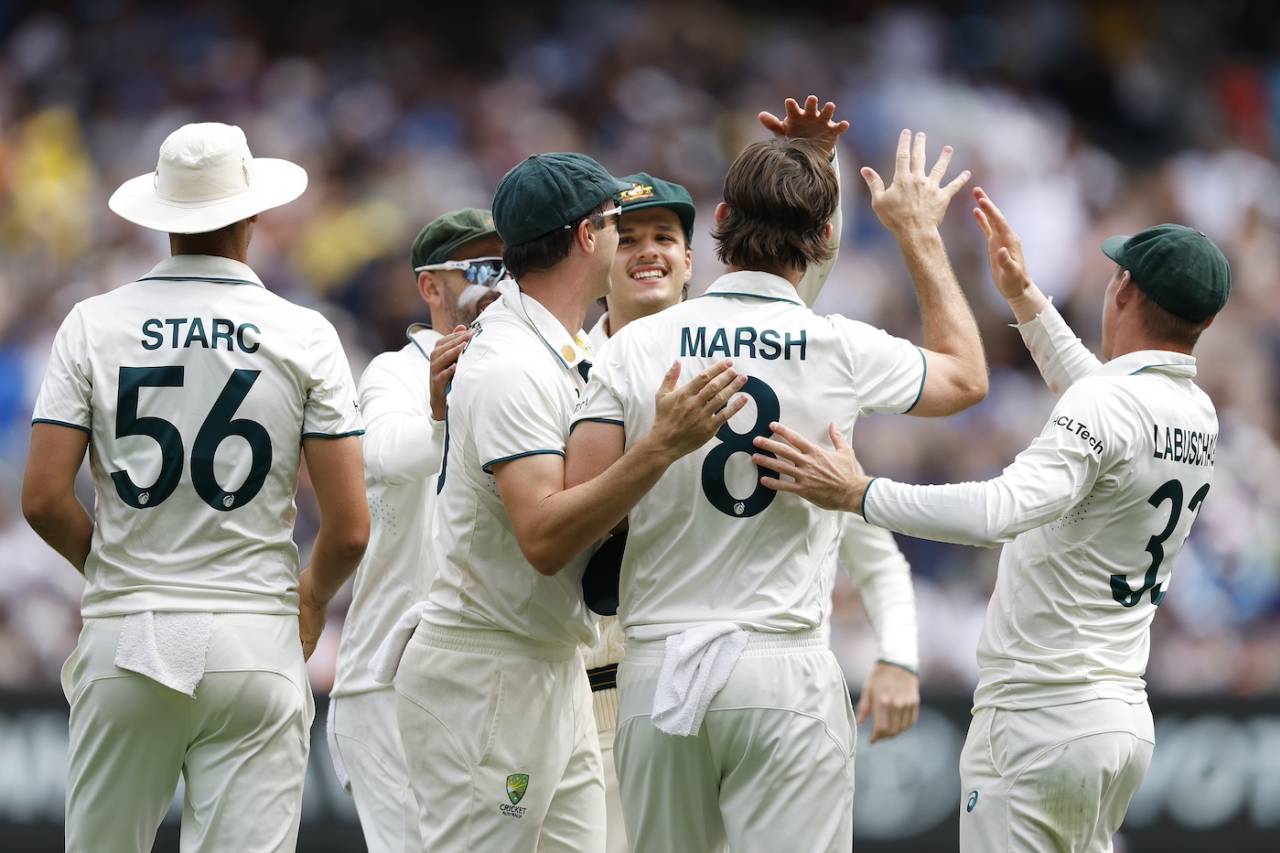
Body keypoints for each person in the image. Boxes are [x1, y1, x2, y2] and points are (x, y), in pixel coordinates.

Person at [751, 187, 1229, 853]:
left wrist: (860, 493)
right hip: (1118, 722)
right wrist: (1027, 299)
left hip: (1040, 717)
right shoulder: (1197, 413)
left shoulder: (1109, 404)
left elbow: (997, 511)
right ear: (1204, 320)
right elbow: (1103, 402)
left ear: (1122, 289)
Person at [566, 128, 985, 853]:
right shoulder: (840, 346)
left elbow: (579, 510)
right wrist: (917, 234)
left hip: (657, 668)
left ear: (720, 222)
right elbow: (966, 377)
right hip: (783, 667)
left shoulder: (634, 345)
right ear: (823, 239)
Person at [21, 122, 369, 852]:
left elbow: (43, 499)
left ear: (163, 216)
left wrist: (119, 573)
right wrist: (308, 602)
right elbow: (348, 529)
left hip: (129, 636)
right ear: (252, 214)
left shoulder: (91, 323)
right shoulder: (305, 332)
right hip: (255, 635)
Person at [392, 151, 750, 853]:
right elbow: (545, 538)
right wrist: (660, 447)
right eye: (618, 222)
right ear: (589, 235)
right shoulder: (509, 365)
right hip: (488, 669)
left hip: (549, 662)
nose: (627, 238)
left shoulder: (561, 348)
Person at [327, 208, 504, 852]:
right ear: (430, 286)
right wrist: (438, 414)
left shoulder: (525, 367)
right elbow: (385, 456)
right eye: (482, 268)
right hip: (389, 678)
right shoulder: (393, 372)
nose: (499, 283)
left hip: (491, 673)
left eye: (510, 267)